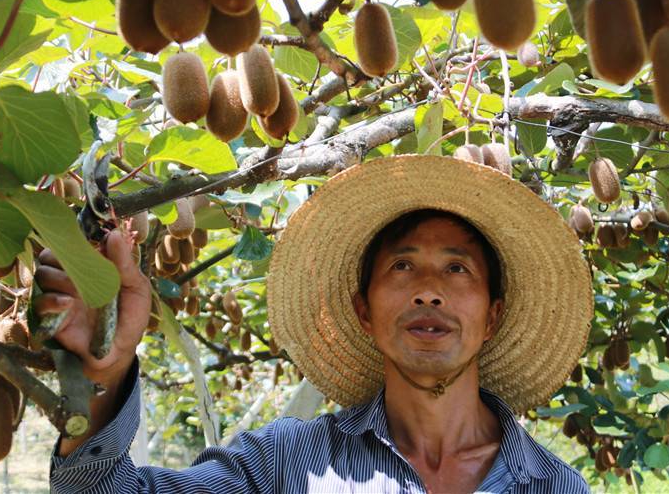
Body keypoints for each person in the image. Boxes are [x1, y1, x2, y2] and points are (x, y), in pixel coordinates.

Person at [40, 154, 594, 493]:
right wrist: (102, 375)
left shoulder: (556, 487)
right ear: (363, 311)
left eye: (457, 268)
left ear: (493, 316)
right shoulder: (284, 466)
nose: (429, 290)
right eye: (402, 266)